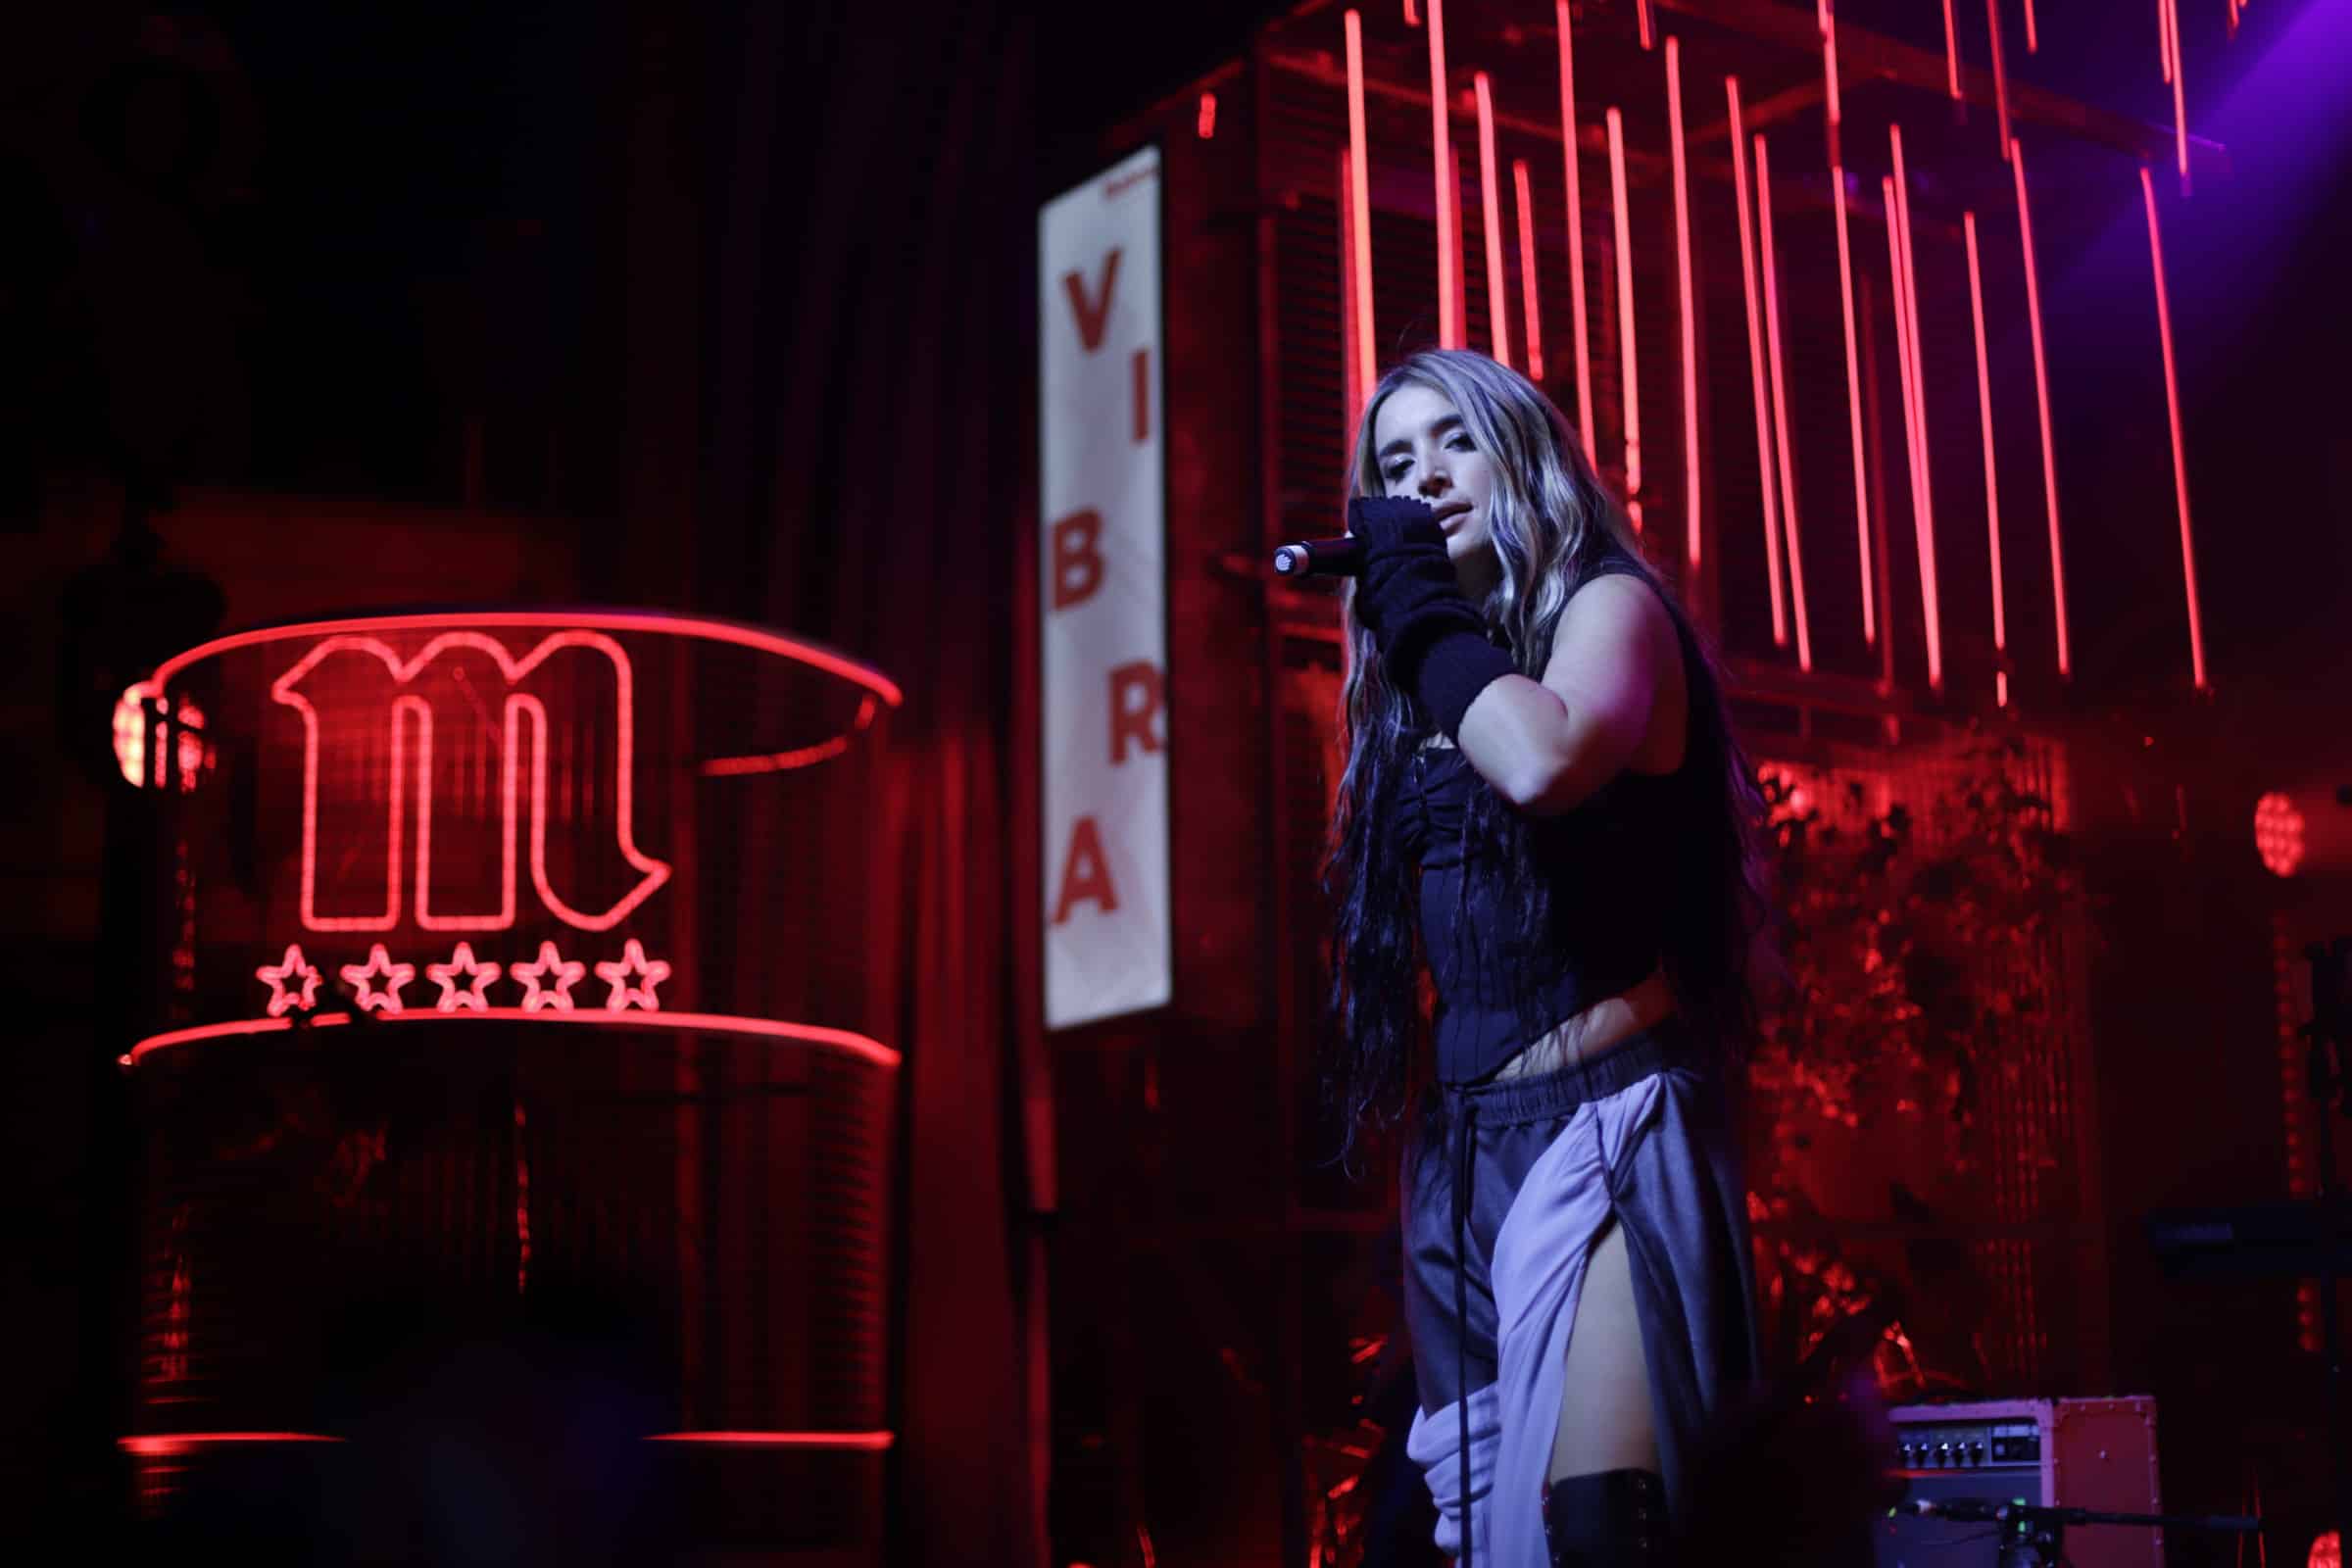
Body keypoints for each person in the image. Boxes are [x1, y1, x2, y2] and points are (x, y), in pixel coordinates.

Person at [1320, 349, 1777, 1567]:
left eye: (1454, 441)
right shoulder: (1420, 694)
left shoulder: (1611, 610)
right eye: (1395, 463)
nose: (1424, 478)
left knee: (1602, 1531)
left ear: (1520, 455)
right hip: (1463, 1157)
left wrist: (1415, 607)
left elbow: (1542, 761)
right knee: (1479, 1536)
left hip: (1604, 1126)